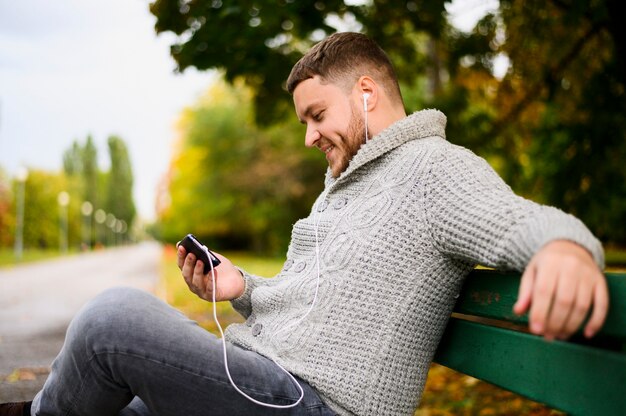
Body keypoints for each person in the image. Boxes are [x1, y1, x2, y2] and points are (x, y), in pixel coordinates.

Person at [1, 32, 608, 416]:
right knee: (122, 403)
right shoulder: (339, 192)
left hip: (308, 403)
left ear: (366, 92)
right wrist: (244, 290)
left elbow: (528, 223)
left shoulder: (433, 169)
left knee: (113, 320)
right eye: (304, 123)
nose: (310, 135)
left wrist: (568, 251)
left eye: (317, 115)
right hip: (263, 381)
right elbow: (310, 311)